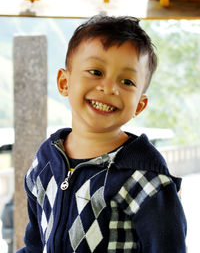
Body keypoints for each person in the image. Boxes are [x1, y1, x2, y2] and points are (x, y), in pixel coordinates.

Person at [17, 15, 187, 253]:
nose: (109, 88)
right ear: (64, 82)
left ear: (139, 105)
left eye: (127, 81)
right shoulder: (45, 160)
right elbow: (36, 244)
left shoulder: (146, 178)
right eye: (96, 72)